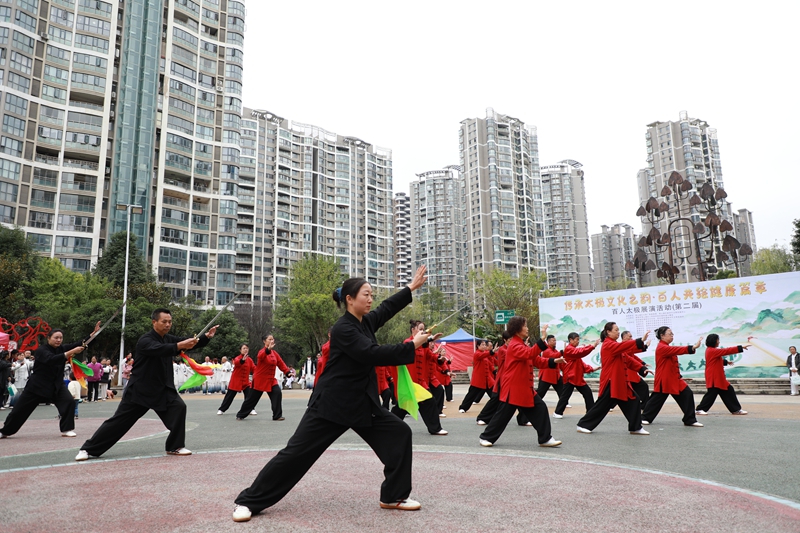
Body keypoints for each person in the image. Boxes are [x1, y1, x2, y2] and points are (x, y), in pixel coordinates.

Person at [232, 265, 432, 522]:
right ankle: (248, 501)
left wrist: (410, 288)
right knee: (295, 454)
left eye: (372, 294)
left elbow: (387, 308)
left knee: (400, 433)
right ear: (349, 300)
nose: (371, 299)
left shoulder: (366, 322)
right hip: (332, 405)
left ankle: (393, 496)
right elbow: (370, 354)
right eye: (365, 295)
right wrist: (411, 345)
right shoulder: (343, 329)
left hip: (363, 404)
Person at [75, 309, 217, 460]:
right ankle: (88, 449)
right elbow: (161, 349)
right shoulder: (145, 340)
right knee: (119, 422)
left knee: (179, 407)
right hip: (140, 391)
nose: (168, 324)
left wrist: (205, 337)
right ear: (154, 322)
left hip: (163, 389)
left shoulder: (168, 339)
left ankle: (175, 446)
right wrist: (179, 345)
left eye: (170, 322)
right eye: (164, 321)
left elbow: (188, 343)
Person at [1, 323, 100, 438]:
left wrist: (93, 335)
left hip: (56, 385)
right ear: (49, 338)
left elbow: (80, 344)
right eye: (56, 338)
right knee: (19, 410)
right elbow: (51, 359)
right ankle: (5, 431)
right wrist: (68, 353)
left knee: (69, 402)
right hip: (37, 386)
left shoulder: (62, 348)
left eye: (61, 338)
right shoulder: (41, 350)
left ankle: (66, 429)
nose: (58, 340)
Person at [478, 320, 564, 448]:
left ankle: (545, 438)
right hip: (513, 388)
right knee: (502, 415)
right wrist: (542, 339)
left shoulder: (521, 345)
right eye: (524, 326)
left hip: (523, 388)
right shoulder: (514, 345)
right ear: (517, 329)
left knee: (540, 408)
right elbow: (530, 354)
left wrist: (553, 361)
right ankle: (486, 437)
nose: (527, 328)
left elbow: (537, 360)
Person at [576, 322, 651, 435]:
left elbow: (628, 359)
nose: (618, 332)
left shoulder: (614, 345)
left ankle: (636, 427)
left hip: (619, 381)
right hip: (612, 381)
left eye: (618, 330)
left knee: (634, 400)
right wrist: (640, 340)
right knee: (602, 405)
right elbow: (623, 347)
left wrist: (641, 368)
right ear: (608, 332)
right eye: (616, 330)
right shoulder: (608, 344)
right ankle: (583, 424)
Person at [390, 321, 447, 435]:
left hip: (421, 383)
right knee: (404, 406)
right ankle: (389, 426)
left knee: (424, 403)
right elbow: (412, 346)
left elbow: (431, 357)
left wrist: (440, 359)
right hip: (410, 382)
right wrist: (429, 340)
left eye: (424, 329)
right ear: (413, 330)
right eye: (420, 329)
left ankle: (435, 428)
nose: (423, 331)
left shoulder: (424, 347)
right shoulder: (407, 342)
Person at [641, 326, 703, 427]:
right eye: (670, 334)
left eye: (672, 334)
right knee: (656, 399)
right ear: (662, 336)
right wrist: (693, 347)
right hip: (664, 379)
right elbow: (677, 349)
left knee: (687, 394)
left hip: (674, 379)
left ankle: (690, 419)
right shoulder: (662, 347)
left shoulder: (666, 346)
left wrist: (680, 376)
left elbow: (673, 363)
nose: (672, 336)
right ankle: (645, 417)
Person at [476, 332, 529, 427]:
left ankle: (523, 419)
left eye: (512, 340)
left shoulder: (512, 348)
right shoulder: (503, 350)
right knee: (495, 399)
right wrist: (525, 348)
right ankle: (482, 417)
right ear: (505, 340)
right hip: (503, 378)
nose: (511, 342)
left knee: (520, 397)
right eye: (509, 340)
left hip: (514, 378)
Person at [236, 336, 292, 421]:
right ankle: (241, 414)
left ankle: (277, 415)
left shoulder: (275, 353)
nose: (272, 341)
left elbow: (281, 363)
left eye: (273, 339)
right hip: (260, 379)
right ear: (264, 341)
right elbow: (261, 356)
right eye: (269, 339)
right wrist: (267, 350)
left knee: (277, 393)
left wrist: (287, 372)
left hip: (271, 380)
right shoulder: (262, 352)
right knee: (251, 399)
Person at [696, 334, 750, 415]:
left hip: (718, 376)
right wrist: (740, 347)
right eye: (718, 340)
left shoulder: (711, 350)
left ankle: (735, 409)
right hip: (714, 376)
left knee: (728, 390)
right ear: (714, 341)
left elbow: (716, 360)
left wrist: (726, 362)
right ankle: (700, 409)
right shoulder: (712, 350)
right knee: (712, 393)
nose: (719, 342)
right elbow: (726, 351)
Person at [553, 333, 601, 418]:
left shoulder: (574, 352)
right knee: (565, 396)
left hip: (576, 377)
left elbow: (581, 364)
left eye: (578, 339)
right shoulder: (569, 349)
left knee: (586, 393)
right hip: (570, 377)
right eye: (576, 339)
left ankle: (590, 413)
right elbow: (581, 352)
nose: (578, 341)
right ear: (571, 340)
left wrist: (593, 369)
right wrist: (592, 346)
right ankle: (557, 412)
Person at [458, 339, 496, 413]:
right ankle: (463, 407)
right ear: (478, 346)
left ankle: (497, 408)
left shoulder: (485, 354)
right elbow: (482, 355)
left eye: (485, 345)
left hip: (488, 380)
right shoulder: (477, 354)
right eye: (482, 344)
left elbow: (490, 364)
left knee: (495, 395)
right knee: (471, 395)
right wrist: (491, 352)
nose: (484, 346)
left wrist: (494, 371)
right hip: (478, 379)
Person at [218, 345, 255, 415]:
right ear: (240, 350)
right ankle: (222, 409)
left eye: (247, 348)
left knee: (249, 396)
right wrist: (242, 360)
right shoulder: (237, 358)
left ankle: (251, 409)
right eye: (244, 348)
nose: (245, 350)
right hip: (236, 382)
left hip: (245, 382)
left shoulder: (250, 360)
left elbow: (254, 368)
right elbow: (237, 362)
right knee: (229, 396)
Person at [621, 331, 650, 412]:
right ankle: (643, 406)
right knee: (634, 391)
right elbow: (635, 350)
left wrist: (643, 363)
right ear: (624, 337)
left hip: (632, 373)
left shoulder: (627, 346)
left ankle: (643, 405)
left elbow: (633, 356)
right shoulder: (623, 346)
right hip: (629, 373)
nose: (631, 338)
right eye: (630, 336)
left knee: (629, 392)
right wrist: (645, 345)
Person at [536, 335, 565, 400]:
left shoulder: (555, 350)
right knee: (541, 392)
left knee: (562, 389)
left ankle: (564, 403)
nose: (555, 342)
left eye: (555, 340)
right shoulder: (546, 350)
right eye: (553, 340)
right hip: (546, 376)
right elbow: (553, 356)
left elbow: (559, 360)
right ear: (548, 341)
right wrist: (562, 352)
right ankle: (532, 401)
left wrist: (563, 369)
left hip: (555, 375)